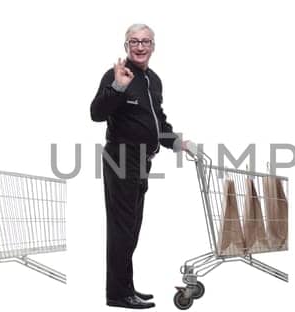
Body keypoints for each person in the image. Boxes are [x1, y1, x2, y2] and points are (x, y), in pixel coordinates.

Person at [89, 23, 194, 310]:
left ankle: (125, 287)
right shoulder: (116, 75)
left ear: (153, 46)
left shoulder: (154, 80)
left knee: (132, 227)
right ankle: (118, 295)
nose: (140, 46)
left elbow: (157, 119)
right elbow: (96, 113)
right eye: (134, 41)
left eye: (145, 41)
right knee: (122, 227)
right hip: (121, 156)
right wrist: (117, 87)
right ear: (126, 45)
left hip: (142, 161)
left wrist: (177, 142)